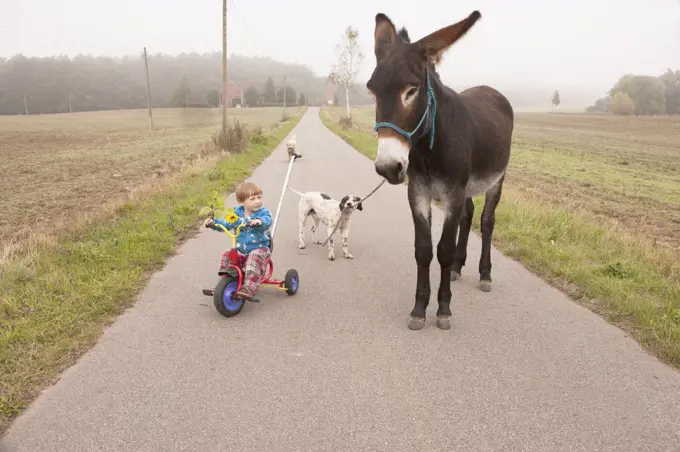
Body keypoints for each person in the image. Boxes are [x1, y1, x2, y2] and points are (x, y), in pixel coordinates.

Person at [204, 181, 272, 301]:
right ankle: (224, 283)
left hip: (260, 248)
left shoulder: (262, 213)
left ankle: (249, 288)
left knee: (253, 259)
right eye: (252, 199)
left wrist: (259, 222)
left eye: (259, 197)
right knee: (227, 254)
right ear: (242, 202)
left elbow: (267, 220)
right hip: (241, 249)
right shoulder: (236, 214)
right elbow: (226, 224)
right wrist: (213, 223)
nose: (257, 201)